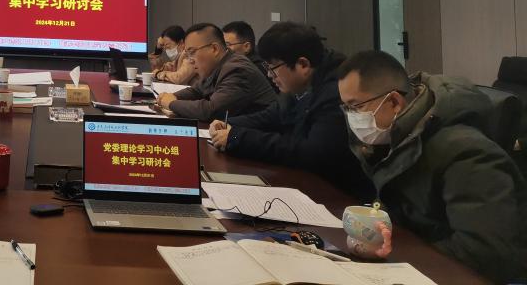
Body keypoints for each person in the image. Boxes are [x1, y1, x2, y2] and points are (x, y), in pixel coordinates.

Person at [338, 51, 527, 283]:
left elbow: (487, 253)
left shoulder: (466, 153)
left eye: (356, 106)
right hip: (424, 259)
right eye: (346, 108)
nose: (352, 117)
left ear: (394, 102)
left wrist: (400, 258)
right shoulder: (397, 137)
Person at [208, 22, 372, 199]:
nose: (270, 75)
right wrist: (228, 124)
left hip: (338, 195)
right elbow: (272, 116)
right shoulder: (301, 86)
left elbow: (310, 152)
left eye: (272, 68)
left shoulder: (336, 92)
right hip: (308, 182)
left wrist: (237, 138)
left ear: (303, 65)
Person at [156, 23, 276, 120]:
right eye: (187, 54)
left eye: (192, 52)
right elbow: (197, 90)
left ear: (214, 49)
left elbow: (211, 110)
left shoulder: (237, 69)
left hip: (261, 136)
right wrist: (171, 97)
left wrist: (172, 103)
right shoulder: (218, 64)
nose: (190, 60)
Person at [223, 19, 278, 90]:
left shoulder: (250, 70)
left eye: (228, 45)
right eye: (222, 44)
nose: (224, 49)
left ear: (246, 47)